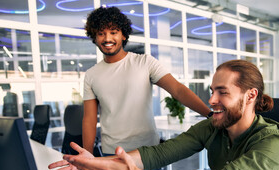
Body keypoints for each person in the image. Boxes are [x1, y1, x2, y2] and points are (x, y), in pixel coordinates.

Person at [49, 60, 279, 170]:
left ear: (250, 95)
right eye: (212, 91)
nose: (211, 100)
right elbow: (159, 153)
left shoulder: (272, 142)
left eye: (222, 92)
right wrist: (93, 165)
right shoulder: (213, 127)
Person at [82, 6, 211, 157]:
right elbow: (89, 119)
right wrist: (87, 156)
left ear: (123, 35)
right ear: (94, 37)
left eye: (113, 32)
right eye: (101, 34)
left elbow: (178, 90)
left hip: (147, 151)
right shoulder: (91, 75)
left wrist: (209, 114)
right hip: (112, 152)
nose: (107, 39)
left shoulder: (145, 62)